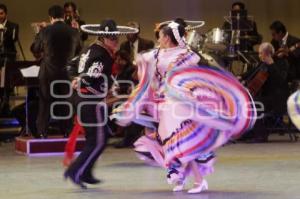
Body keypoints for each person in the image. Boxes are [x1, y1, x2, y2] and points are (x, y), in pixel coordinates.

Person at [112, 20, 256, 193]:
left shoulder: (186, 55)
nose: (159, 37)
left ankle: (199, 180)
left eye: (161, 35)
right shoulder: (156, 54)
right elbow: (145, 74)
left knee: (182, 143)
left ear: (167, 37)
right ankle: (179, 178)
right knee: (169, 143)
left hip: (180, 105)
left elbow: (184, 79)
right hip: (161, 105)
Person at [64, 19, 139, 189]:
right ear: (103, 38)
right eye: (112, 38)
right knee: (97, 141)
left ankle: (86, 172)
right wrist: (81, 80)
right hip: (91, 102)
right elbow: (91, 75)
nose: (116, 41)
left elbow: (71, 65)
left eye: (116, 38)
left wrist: (76, 78)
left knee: (99, 138)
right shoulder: (101, 55)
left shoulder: (89, 49)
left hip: (85, 100)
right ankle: (76, 171)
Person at [31, 5, 82, 138]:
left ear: (51, 17)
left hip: (48, 72)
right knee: (66, 101)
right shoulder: (73, 31)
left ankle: (42, 131)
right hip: (67, 72)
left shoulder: (45, 31)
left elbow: (35, 49)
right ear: (64, 16)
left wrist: (38, 33)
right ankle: (67, 130)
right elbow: (79, 50)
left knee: (45, 101)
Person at [240, 42, 289, 142]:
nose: (259, 55)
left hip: (278, 99)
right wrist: (241, 77)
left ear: (267, 54)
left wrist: (271, 64)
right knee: (245, 101)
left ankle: (261, 134)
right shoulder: (263, 64)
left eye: (260, 53)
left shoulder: (281, 63)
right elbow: (253, 72)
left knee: (253, 103)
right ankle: (250, 132)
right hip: (267, 97)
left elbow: (280, 81)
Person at [0, 3, 19, 116]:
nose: (0, 16)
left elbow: (14, 39)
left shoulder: (13, 26)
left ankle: (6, 103)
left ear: (6, 14)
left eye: (1, 13)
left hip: (8, 55)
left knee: (6, 79)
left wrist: (4, 31)